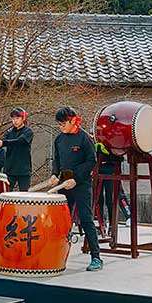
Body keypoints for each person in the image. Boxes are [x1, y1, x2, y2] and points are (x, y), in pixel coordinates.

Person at [49, 106, 103, 272]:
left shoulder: (84, 138)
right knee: (62, 220)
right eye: (59, 124)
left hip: (81, 184)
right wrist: (54, 174)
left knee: (86, 219)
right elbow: (56, 159)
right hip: (64, 184)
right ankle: (57, 254)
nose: (61, 127)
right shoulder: (59, 139)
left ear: (73, 120)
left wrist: (76, 178)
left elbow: (91, 161)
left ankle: (96, 257)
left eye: (63, 123)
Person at [0, 108, 33, 190]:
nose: (15, 121)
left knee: (23, 196)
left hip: (23, 170)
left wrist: (4, 143)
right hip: (10, 169)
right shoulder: (9, 132)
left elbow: (20, 141)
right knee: (6, 195)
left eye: (17, 118)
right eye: (13, 119)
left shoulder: (28, 131)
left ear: (23, 118)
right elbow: (2, 143)